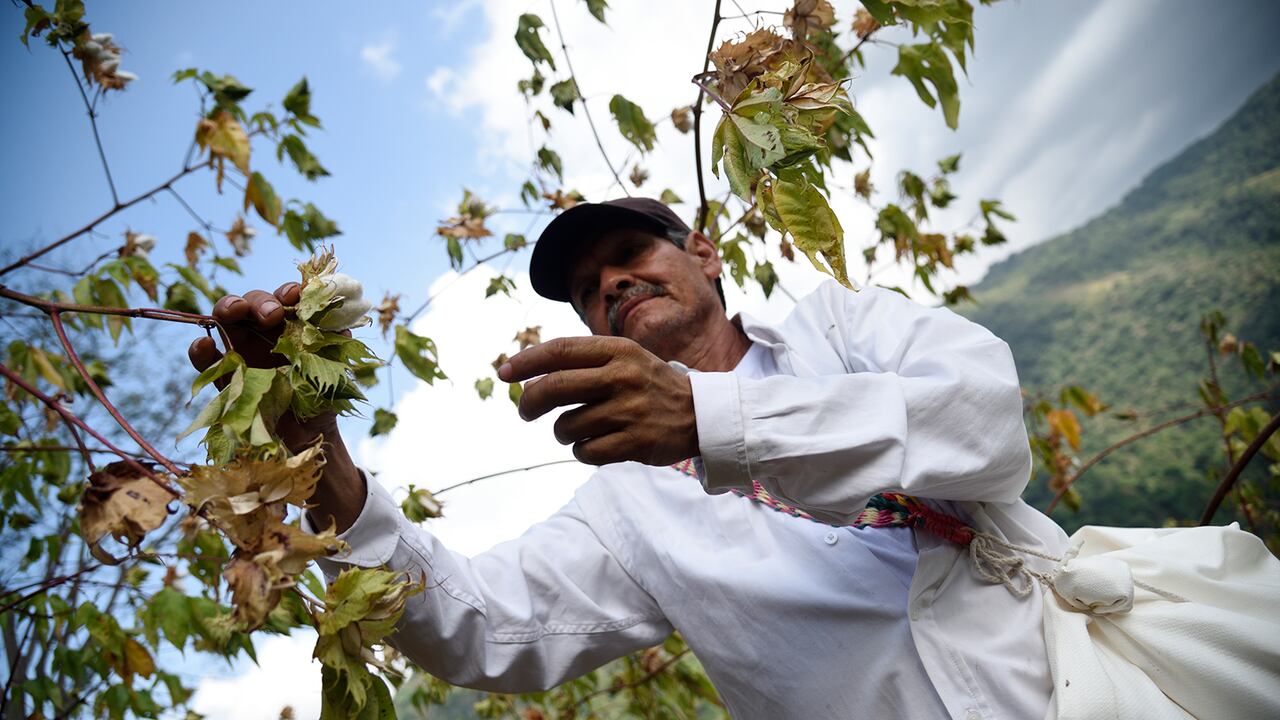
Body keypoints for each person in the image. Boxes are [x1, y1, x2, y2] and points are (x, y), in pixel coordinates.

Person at [189, 197, 1068, 719]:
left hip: (1087, 682)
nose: (608, 283)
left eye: (628, 254)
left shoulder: (842, 328)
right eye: (586, 289)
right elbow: (479, 628)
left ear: (704, 255)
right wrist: (313, 448)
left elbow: (986, 423)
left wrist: (710, 417)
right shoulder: (628, 509)